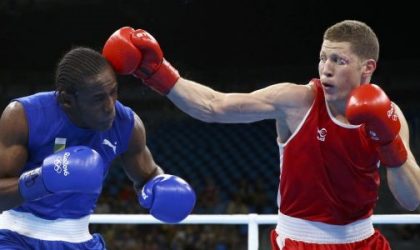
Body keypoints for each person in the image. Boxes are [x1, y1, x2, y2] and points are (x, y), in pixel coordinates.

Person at [103, 20, 420, 249]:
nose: (326, 68)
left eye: (339, 60)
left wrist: (389, 143)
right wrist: (156, 72)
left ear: (368, 67)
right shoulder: (299, 101)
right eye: (323, 57)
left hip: (365, 240)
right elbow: (215, 106)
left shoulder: (388, 116)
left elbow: (411, 200)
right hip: (301, 240)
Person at [0, 47, 196, 249]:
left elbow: (149, 175)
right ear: (67, 100)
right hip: (16, 235)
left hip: (80, 240)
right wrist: (42, 180)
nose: (110, 106)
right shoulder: (24, 116)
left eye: (113, 93)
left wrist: (159, 186)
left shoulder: (126, 124)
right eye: (98, 98)